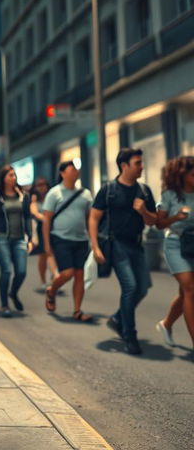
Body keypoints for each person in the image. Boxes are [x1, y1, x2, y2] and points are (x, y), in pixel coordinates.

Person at [89, 147, 157, 355]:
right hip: (115, 244)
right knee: (130, 287)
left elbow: (154, 221)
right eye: (138, 163)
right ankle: (130, 336)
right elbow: (93, 218)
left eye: (141, 163)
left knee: (143, 287)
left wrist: (143, 210)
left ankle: (118, 318)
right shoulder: (108, 190)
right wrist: (95, 246)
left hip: (136, 244)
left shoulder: (144, 191)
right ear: (124, 166)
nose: (141, 167)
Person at [42, 161, 94, 321]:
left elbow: (89, 218)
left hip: (81, 240)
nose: (75, 173)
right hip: (61, 238)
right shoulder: (54, 193)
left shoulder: (85, 193)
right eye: (71, 170)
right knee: (67, 273)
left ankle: (77, 310)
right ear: (62, 173)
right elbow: (46, 220)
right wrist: (46, 245)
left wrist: (93, 241)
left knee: (79, 275)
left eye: (76, 170)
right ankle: (52, 290)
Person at [155, 155, 194, 354]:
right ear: (182, 174)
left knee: (185, 293)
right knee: (189, 288)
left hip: (193, 243)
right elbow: (159, 223)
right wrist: (176, 217)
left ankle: (166, 323)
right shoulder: (170, 195)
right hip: (175, 244)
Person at [0, 165, 33, 317]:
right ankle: (4, 304)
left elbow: (27, 217)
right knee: (6, 271)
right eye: (10, 175)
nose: (14, 178)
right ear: (4, 178)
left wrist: (30, 238)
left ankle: (13, 292)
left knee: (21, 271)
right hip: (1, 238)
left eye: (14, 175)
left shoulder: (23, 196)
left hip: (19, 239)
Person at [29, 177, 58, 289]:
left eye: (43, 184)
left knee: (52, 252)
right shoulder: (34, 199)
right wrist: (46, 219)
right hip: (41, 229)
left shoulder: (51, 197)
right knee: (44, 255)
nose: (41, 187)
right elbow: (34, 212)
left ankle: (54, 275)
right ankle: (44, 279)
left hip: (53, 228)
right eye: (39, 185)